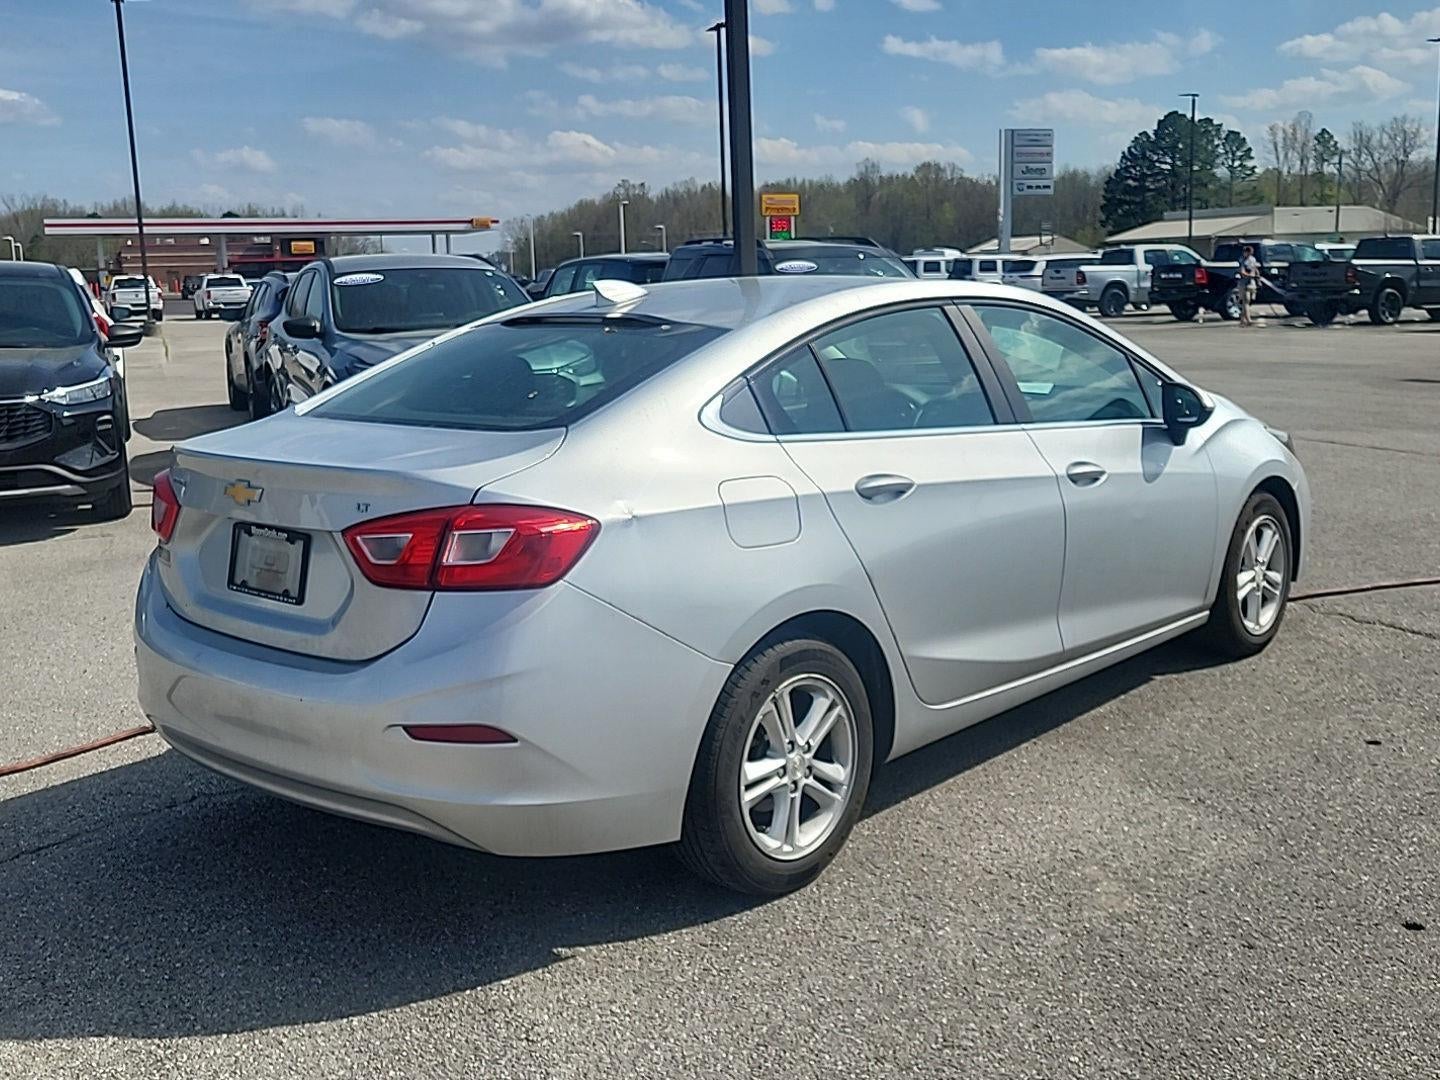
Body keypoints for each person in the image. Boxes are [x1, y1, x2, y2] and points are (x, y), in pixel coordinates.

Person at [1237, 245, 1261, 327]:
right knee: (1246, 301)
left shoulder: (1253, 259)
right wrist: (1248, 275)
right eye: (1247, 252)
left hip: (1251, 283)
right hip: (1244, 283)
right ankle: (1248, 319)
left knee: (1248, 301)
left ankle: (1242, 320)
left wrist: (1258, 279)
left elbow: (1255, 269)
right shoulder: (1242, 260)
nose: (1248, 254)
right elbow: (1242, 271)